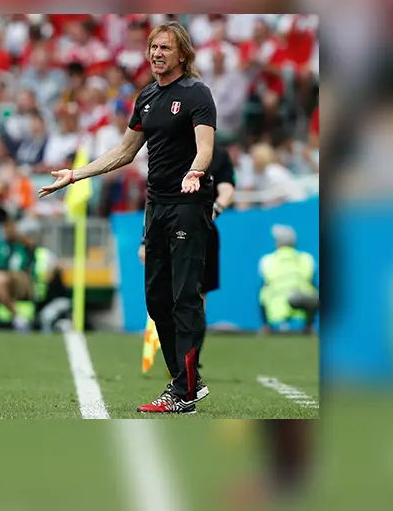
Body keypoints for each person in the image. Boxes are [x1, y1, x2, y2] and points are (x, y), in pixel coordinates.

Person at [40, 21, 217, 413]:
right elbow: (123, 151)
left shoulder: (196, 94)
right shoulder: (148, 96)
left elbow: (205, 147)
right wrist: (76, 174)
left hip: (188, 205)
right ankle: (186, 382)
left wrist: (195, 170)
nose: (156, 53)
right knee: (156, 299)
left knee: (184, 296)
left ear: (182, 55)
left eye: (166, 48)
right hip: (156, 208)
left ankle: (184, 390)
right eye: (153, 47)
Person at [139, 139, 235, 368]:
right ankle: (176, 356)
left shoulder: (217, 154)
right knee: (163, 294)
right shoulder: (169, 148)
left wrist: (214, 210)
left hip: (200, 230)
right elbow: (153, 197)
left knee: (196, 296)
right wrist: (145, 239)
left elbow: (227, 189)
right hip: (164, 227)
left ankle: (190, 359)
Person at [258, 225, 318, 335]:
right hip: (301, 316)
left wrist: (265, 323)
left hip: (274, 317)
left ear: (277, 242)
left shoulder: (267, 261)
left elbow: (263, 294)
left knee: (263, 290)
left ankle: (265, 327)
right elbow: (313, 288)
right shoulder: (306, 259)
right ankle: (309, 327)